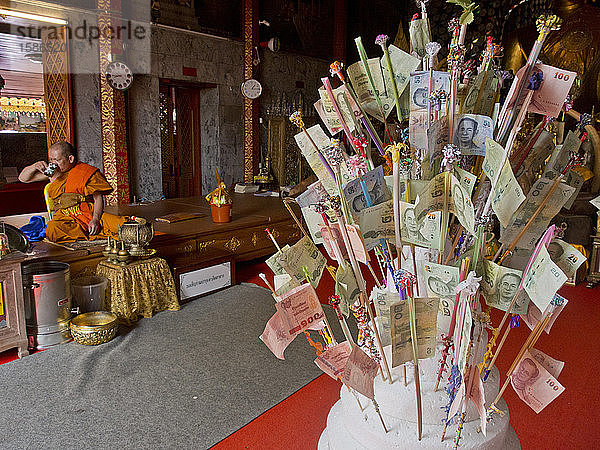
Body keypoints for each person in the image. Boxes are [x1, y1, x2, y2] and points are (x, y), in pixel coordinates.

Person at [18, 141, 127, 243]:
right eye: (51, 160)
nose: (53, 164)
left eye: (57, 160)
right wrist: (33, 167)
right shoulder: (54, 173)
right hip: (65, 218)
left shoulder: (86, 172)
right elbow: (23, 179)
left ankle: (88, 231)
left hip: (87, 214)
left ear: (70, 159)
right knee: (52, 229)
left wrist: (95, 219)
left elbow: (98, 199)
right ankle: (86, 233)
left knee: (124, 226)